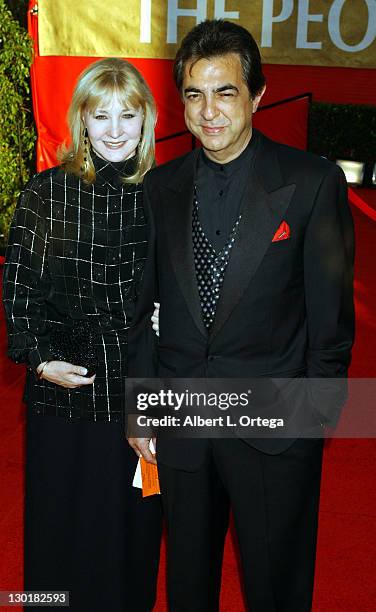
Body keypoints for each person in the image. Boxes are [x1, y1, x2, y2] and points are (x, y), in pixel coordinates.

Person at [128, 20, 355, 612]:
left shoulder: (310, 184)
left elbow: (332, 324)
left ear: (256, 95)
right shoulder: (159, 187)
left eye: (225, 92)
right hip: (183, 427)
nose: (208, 112)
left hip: (273, 432)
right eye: (194, 94)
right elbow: (140, 308)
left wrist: (310, 425)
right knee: (187, 588)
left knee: (276, 590)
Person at [3, 58, 162, 612]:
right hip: (62, 394)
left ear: (146, 121)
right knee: (58, 530)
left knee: (129, 536)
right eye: (101, 116)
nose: (115, 129)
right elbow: (20, 292)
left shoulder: (162, 197)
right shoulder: (45, 194)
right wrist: (42, 359)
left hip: (138, 398)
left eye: (128, 114)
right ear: (82, 122)